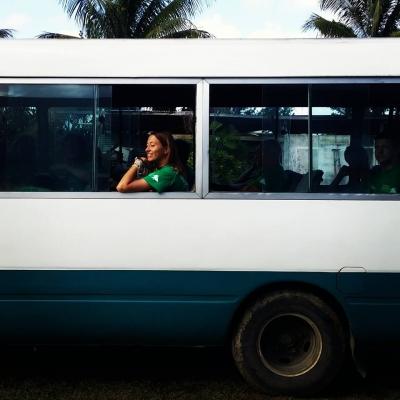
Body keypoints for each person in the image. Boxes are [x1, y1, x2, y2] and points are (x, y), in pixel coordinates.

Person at [116, 131, 188, 193]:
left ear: (166, 149)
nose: (147, 149)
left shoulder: (167, 172)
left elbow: (122, 187)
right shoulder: (169, 169)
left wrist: (137, 163)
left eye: (152, 145)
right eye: (147, 145)